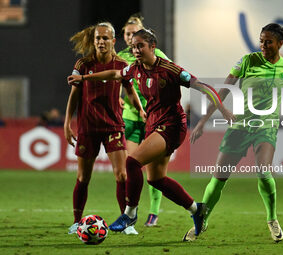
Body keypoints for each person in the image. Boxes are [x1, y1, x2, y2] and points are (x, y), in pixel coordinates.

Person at [68, 28, 235, 238]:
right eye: (133, 47)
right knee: (155, 179)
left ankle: (129, 213)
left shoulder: (170, 70)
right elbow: (115, 74)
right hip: (154, 126)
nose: (136, 50)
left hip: (172, 126)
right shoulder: (135, 69)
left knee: (132, 162)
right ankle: (197, 210)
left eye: (140, 46)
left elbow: (205, 87)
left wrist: (224, 109)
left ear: (152, 47)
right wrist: (84, 78)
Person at [183, 23, 283, 242]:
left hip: (266, 127)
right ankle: (203, 218)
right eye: (261, 41)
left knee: (264, 171)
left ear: (280, 43)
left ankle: (272, 219)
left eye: (269, 42)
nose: (263, 45)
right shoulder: (248, 61)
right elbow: (224, 90)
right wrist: (202, 122)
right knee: (218, 178)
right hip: (239, 126)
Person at [65, 22, 144, 234]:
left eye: (105, 38)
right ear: (93, 41)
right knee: (83, 178)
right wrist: (67, 124)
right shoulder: (82, 64)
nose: (101, 41)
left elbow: (130, 90)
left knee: (122, 175)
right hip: (88, 128)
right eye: (98, 38)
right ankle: (76, 221)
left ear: (113, 41)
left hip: (113, 127)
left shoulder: (120, 65)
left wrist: (141, 110)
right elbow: (74, 95)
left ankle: (125, 222)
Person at [118, 14, 170, 227]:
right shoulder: (120, 56)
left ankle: (154, 212)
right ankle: (132, 211)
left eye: (135, 33)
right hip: (130, 118)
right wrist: (116, 101)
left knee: (153, 170)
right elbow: (112, 80)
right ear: (124, 35)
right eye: (128, 34)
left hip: (153, 117)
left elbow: (170, 76)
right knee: (132, 165)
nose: (131, 38)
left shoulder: (156, 54)